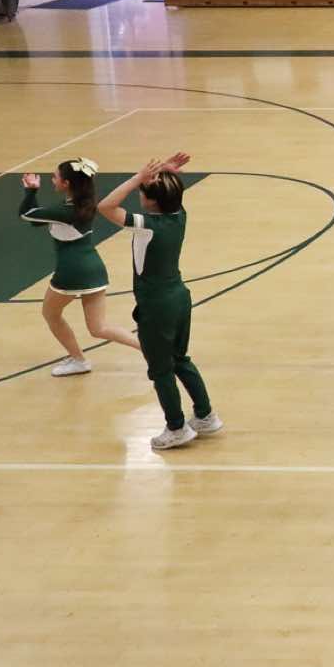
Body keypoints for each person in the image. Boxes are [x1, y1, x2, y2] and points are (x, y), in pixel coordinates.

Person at [93, 152, 220, 451]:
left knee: (161, 370)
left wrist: (138, 177)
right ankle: (205, 416)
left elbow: (105, 206)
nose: (139, 194)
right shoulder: (179, 216)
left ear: (151, 201)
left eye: (143, 192)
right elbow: (172, 195)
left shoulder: (146, 224)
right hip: (179, 298)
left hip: (156, 305)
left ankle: (176, 428)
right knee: (180, 360)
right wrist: (166, 173)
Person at [19, 157, 140, 376]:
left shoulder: (65, 211)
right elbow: (37, 220)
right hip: (95, 269)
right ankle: (151, 350)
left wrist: (31, 191)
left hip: (71, 271)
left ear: (66, 184)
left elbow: (26, 214)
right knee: (99, 328)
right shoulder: (83, 205)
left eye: (55, 177)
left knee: (50, 314)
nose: (52, 180)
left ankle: (78, 360)